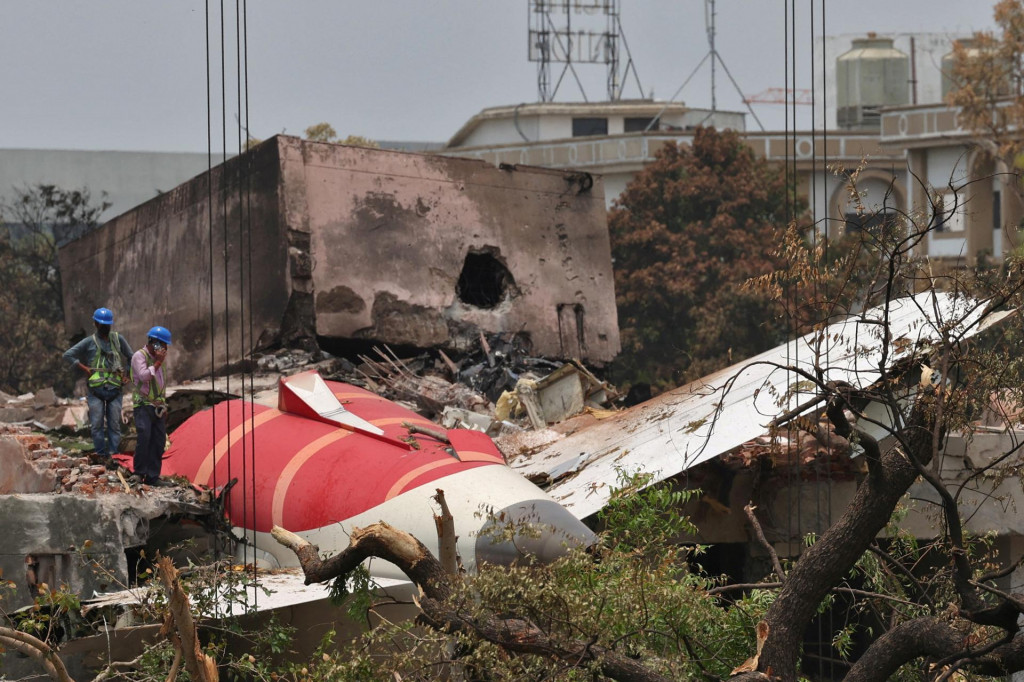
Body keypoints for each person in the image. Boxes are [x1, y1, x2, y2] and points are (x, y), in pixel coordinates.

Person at [63, 307, 133, 468]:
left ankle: (115, 457)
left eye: (107, 324)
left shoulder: (118, 340)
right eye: (102, 324)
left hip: (115, 390)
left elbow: (131, 356)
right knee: (97, 425)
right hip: (96, 391)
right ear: (95, 324)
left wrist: (128, 375)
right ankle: (101, 455)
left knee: (114, 425)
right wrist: (84, 368)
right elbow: (68, 355)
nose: (104, 327)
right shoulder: (89, 342)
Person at [131, 326, 174, 487]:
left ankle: (153, 476)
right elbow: (144, 376)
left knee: (158, 441)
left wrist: (163, 405)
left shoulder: (158, 361)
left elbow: (160, 385)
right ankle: (139, 473)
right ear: (154, 343)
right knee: (144, 438)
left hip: (158, 407)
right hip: (143, 405)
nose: (165, 349)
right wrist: (158, 363)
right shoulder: (139, 356)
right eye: (163, 345)